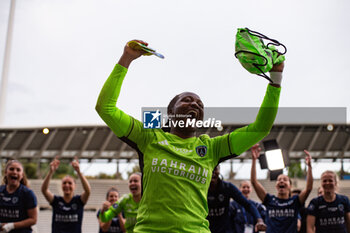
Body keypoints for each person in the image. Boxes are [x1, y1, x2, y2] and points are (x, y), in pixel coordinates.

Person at [95, 39, 284, 232]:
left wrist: (276, 78)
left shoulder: (212, 148)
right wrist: (126, 59)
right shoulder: (149, 137)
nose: (195, 104)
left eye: (200, 104)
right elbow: (106, 109)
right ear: (171, 111)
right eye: (186, 100)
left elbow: (261, 128)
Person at [250, 145, 313, 233]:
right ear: (276, 186)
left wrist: (309, 166)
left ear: (290, 186)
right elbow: (254, 182)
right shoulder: (269, 200)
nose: (281, 181)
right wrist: (254, 160)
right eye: (279, 179)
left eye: (285, 179)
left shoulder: (295, 201)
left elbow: (309, 188)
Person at [207, 166, 266, 233]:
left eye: (215, 169)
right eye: (210, 168)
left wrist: (259, 220)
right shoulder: (200, 188)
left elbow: (248, 204)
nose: (213, 172)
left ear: (219, 170)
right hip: (205, 229)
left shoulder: (227, 187)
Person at [41, 157, 91, 233]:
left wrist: (79, 172)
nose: (67, 185)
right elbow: (44, 190)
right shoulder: (56, 201)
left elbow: (88, 191)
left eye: (70, 183)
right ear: (61, 185)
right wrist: (51, 172)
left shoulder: (79, 201)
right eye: (64, 183)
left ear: (75, 186)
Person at [0, 160, 38, 233]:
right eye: (11, 169)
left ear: (22, 175)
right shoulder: (0, 191)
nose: (14, 172)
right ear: (5, 172)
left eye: (18, 170)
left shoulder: (28, 193)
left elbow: (33, 219)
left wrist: (11, 226)